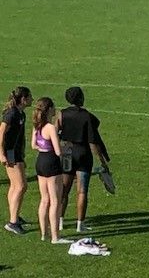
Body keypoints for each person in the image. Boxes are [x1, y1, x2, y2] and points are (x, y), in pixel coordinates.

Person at [57, 87, 110, 235]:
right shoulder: (87, 116)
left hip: (67, 152)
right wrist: (102, 161)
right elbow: (93, 141)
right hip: (83, 153)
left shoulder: (62, 114)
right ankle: (80, 224)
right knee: (82, 191)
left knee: (64, 190)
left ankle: (59, 221)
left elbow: (56, 133)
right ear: (81, 98)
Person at [28, 97, 67, 244]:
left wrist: (44, 147)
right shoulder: (50, 128)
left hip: (40, 161)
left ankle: (44, 234)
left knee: (44, 199)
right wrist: (66, 147)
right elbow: (58, 151)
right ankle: (55, 237)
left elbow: (33, 145)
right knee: (55, 200)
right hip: (51, 163)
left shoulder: (36, 125)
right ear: (49, 109)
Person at [2, 86, 32, 235]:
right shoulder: (12, 114)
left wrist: (22, 156)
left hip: (16, 153)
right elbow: (1, 134)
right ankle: (13, 222)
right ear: (23, 99)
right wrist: (1, 154)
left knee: (16, 186)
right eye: (30, 97)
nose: (32, 99)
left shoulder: (21, 114)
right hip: (10, 153)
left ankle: (14, 215)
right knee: (21, 186)